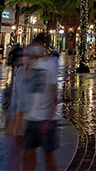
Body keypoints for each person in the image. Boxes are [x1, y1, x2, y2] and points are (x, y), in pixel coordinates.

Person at [13, 43, 59, 171]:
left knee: (48, 156)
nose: (24, 58)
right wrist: (17, 125)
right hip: (29, 119)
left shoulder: (48, 68)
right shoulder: (22, 72)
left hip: (45, 120)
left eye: (28, 56)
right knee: (26, 154)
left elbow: (54, 95)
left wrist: (49, 119)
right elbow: (20, 100)